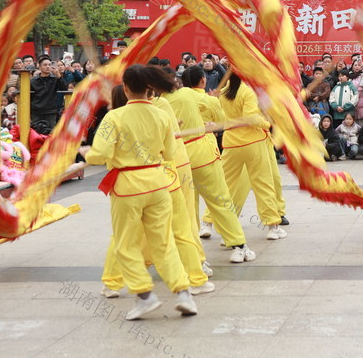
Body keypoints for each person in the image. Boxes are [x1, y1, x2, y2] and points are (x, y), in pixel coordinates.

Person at [79, 65, 198, 320]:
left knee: (126, 243)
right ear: (149, 88)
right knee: (164, 243)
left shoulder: (115, 117)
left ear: (125, 88)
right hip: (158, 183)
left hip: (128, 186)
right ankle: (184, 293)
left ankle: (145, 295)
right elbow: (168, 152)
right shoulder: (161, 115)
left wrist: (86, 152)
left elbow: (101, 155)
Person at [166, 65, 255, 263]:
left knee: (186, 207)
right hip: (202, 152)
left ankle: (192, 252)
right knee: (220, 200)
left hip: (178, 157)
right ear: (203, 80)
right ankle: (238, 245)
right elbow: (220, 122)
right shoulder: (205, 98)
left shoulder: (163, 102)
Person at [216, 73, 287, 239]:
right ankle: (272, 226)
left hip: (231, 143)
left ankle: (219, 226)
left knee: (224, 185)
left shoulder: (224, 91)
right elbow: (251, 118)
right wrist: (267, 123)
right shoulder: (247, 92)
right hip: (253, 142)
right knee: (264, 183)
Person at [30, 56, 66, 134]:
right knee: (35, 134)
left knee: (50, 134)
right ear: (39, 67)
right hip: (36, 112)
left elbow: (64, 88)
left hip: (51, 111)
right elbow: (30, 97)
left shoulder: (55, 79)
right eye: (45, 65)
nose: (48, 67)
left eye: (49, 65)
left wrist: (58, 75)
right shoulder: (33, 81)